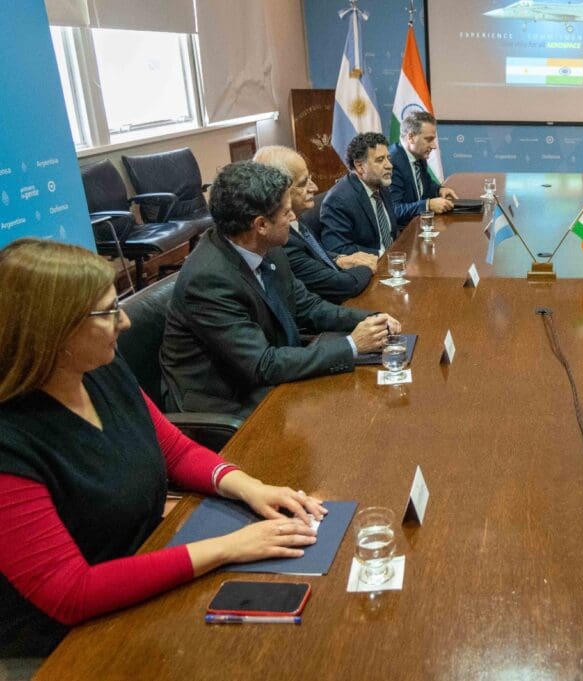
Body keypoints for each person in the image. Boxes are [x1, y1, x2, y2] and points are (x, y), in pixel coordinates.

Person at [0, 239, 325, 660]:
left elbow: (173, 450)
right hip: (69, 642)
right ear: (53, 330)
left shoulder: (98, 368)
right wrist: (229, 547)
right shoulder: (10, 443)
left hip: (151, 564)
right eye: (108, 312)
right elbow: (70, 592)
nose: (124, 322)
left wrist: (251, 487)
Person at [160, 161, 399, 417]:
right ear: (261, 225)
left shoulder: (267, 248)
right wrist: (351, 345)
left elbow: (309, 307)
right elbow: (261, 364)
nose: (294, 217)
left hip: (268, 373)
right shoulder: (208, 280)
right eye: (286, 213)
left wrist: (371, 319)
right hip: (224, 400)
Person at [253, 145, 376, 303]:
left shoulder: (298, 217)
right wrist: (367, 266)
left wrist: (339, 259)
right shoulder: (281, 240)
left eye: (309, 178)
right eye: (303, 183)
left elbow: (313, 253)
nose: (314, 187)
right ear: (279, 190)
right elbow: (342, 286)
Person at [320, 132, 401, 255]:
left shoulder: (381, 186)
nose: (389, 165)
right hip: (372, 264)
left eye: (388, 159)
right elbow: (339, 250)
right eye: (380, 160)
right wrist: (383, 255)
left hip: (394, 258)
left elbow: (392, 234)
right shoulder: (338, 200)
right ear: (360, 166)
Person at [388, 111, 459, 226]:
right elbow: (394, 210)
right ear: (411, 137)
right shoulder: (391, 163)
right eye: (428, 139)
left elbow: (426, 184)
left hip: (421, 224)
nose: (434, 146)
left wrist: (439, 190)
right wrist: (427, 205)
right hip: (404, 231)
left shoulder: (418, 155)